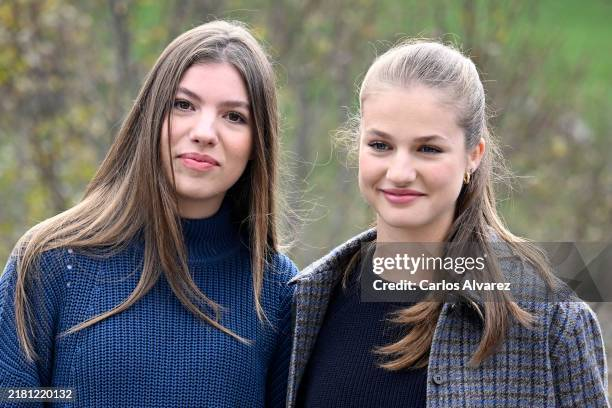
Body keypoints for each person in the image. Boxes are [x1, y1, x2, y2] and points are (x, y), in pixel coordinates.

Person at [287, 41, 608, 407]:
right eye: (380, 145)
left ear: (473, 155)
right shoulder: (307, 302)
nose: (400, 172)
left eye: (428, 149)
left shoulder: (551, 318)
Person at [0, 20, 296, 407]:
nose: (205, 132)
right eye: (183, 105)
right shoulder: (53, 261)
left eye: (234, 117)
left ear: (258, 144)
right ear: (151, 117)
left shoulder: (275, 289)